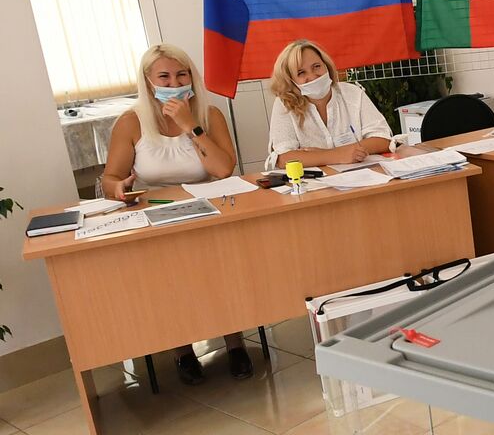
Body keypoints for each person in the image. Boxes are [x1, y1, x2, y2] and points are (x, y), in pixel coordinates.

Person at [102, 44, 253, 384]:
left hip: (207, 212)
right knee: (167, 284)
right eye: (164, 76)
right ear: (148, 81)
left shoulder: (208, 114)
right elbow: (109, 179)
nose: (174, 82)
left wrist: (190, 126)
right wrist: (118, 188)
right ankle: (182, 351)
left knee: (219, 277)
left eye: (181, 74)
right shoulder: (131, 122)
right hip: (156, 218)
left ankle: (235, 343)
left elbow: (223, 169)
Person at [265, 40, 393, 170]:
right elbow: (283, 158)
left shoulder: (352, 93)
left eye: (316, 66)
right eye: (301, 72)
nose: (313, 76)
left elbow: (383, 139)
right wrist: (339, 155)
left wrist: (321, 155)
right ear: (290, 81)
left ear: (326, 66)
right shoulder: (284, 103)